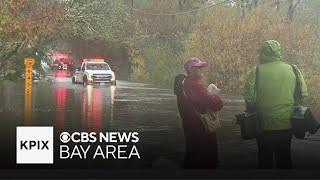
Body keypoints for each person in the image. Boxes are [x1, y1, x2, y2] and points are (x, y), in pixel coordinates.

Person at [243, 40, 308, 169]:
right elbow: (303, 94)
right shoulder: (293, 69)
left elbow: (249, 98)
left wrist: (253, 108)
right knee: (284, 158)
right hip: (286, 123)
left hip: (263, 124)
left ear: (263, 53)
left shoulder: (256, 71)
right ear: (279, 52)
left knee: (264, 159)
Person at [174, 57, 223, 169]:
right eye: (198, 67)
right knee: (204, 159)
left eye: (202, 67)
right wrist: (214, 94)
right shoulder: (193, 85)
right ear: (190, 70)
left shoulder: (184, 83)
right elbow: (218, 104)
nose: (201, 69)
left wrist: (208, 91)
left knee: (192, 155)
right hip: (200, 127)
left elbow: (198, 99)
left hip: (190, 126)